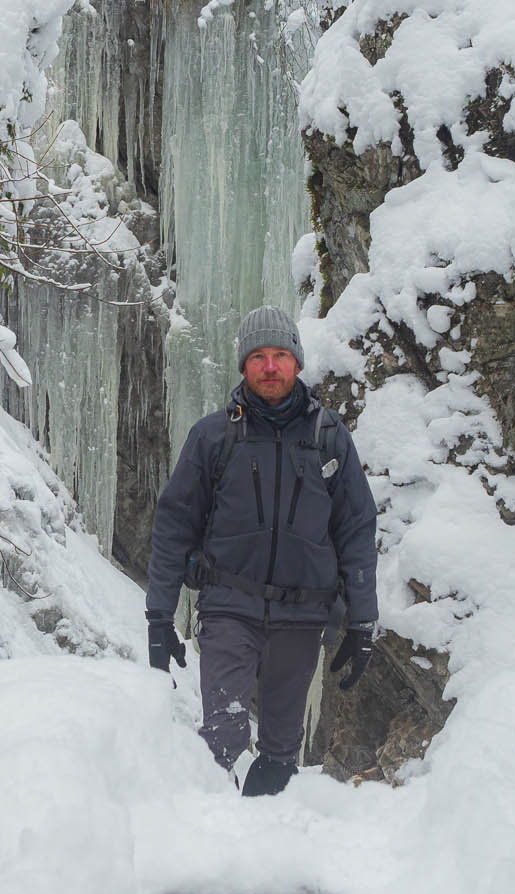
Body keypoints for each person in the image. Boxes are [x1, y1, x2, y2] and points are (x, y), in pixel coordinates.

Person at [146, 304, 379, 796]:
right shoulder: (215, 436)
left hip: (302, 616)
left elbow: (356, 527)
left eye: (278, 355)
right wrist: (158, 616)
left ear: (295, 361)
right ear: (243, 366)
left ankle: (258, 854)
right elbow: (174, 524)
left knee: (279, 751)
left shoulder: (329, 439)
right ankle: (201, 842)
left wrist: (361, 620)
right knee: (222, 738)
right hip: (230, 607)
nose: (269, 367)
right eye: (257, 357)